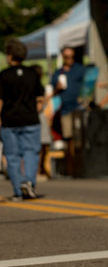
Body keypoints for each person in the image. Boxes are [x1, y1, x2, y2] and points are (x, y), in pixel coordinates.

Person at [0, 40, 44, 201]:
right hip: (30, 119)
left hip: (10, 120)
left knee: (13, 156)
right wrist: (35, 110)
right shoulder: (32, 73)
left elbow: (0, 100)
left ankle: (18, 191)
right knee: (31, 152)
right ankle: (29, 182)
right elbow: (40, 97)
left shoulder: (4, 75)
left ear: (11, 55)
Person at [50, 46, 85, 175]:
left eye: (71, 56)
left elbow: (88, 85)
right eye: (66, 57)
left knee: (79, 139)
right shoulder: (58, 73)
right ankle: (71, 168)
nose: (69, 59)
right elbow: (51, 93)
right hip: (65, 110)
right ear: (63, 57)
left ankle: (80, 166)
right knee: (68, 139)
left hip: (79, 108)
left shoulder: (80, 69)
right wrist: (57, 88)